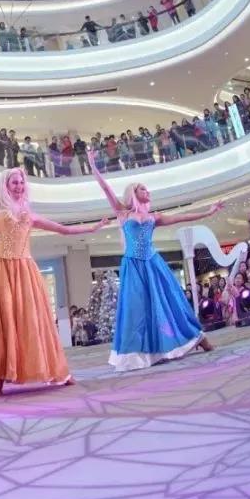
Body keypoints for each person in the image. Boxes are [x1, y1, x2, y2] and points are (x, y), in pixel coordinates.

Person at [0, 142, 110, 396]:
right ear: (6, 185)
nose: (19, 186)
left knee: (34, 322)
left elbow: (63, 230)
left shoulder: (30, 215)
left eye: (21, 182)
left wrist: (93, 228)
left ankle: (59, 372)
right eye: (15, 182)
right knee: (2, 323)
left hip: (24, 271)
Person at [86, 149, 220, 371]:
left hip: (153, 264)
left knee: (170, 302)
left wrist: (207, 213)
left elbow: (182, 217)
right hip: (133, 266)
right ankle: (143, 353)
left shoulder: (153, 217)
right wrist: (93, 166)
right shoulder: (123, 213)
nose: (147, 191)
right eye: (143, 188)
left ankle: (197, 338)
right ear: (133, 193)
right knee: (137, 309)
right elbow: (106, 188)